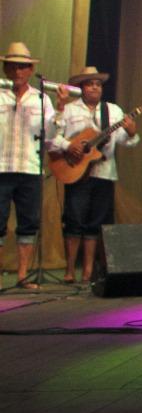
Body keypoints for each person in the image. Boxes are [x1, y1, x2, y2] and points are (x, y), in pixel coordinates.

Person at [53, 66, 139, 283]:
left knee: (95, 222)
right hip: (76, 171)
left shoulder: (113, 111)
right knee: (74, 220)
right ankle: (70, 269)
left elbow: (127, 142)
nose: (94, 87)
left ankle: (88, 271)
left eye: (98, 84)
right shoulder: (70, 109)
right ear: (82, 87)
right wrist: (69, 145)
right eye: (90, 83)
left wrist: (131, 132)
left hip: (105, 172)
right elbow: (53, 137)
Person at [0, 42, 70, 289]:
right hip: (1, 168)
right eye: (13, 67)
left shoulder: (40, 99)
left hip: (30, 168)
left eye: (23, 67)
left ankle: (22, 276)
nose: (18, 72)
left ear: (30, 70)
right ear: (6, 69)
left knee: (28, 222)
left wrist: (60, 108)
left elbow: (50, 135)